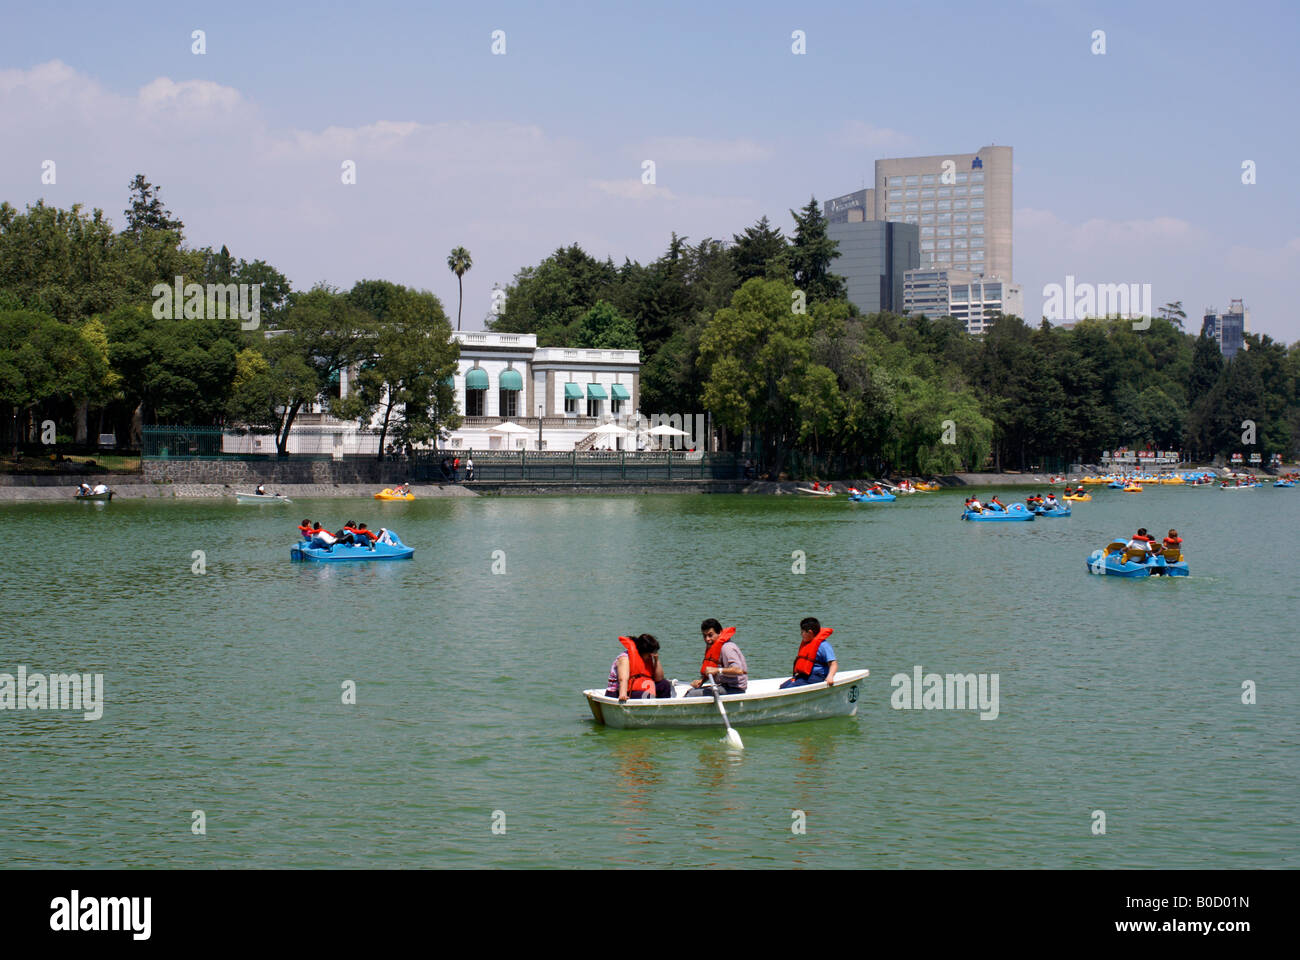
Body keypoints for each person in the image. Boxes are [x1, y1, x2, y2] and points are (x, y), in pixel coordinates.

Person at [685, 619, 748, 697]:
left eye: (710, 635)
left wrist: (717, 670)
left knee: (691, 695)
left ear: (719, 633)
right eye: (704, 636)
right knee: (691, 690)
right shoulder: (713, 647)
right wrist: (701, 681)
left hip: (735, 689)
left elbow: (739, 670)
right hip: (722, 685)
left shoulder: (727, 648)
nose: (707, 639)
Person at [605, 634, 671, 702]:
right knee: (646, 695)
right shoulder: (625, 658)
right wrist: (623, 695)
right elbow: (623, 679)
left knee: (664, 685)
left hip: (639, 689)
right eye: (649, 654)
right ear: (642, 651)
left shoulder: (648, 658)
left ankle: (663, 709)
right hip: (617, 692)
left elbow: (659, 679)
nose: (651, 655)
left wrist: (656, 660)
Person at [780, 618, 838, 689]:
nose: (801, 634)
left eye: (802, 632)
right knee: (783, 687)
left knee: (787, 689)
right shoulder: (807, 643)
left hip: (817, 676)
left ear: (810, 632)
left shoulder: (823, 646)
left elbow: (833, 664)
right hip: (805, 675)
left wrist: (830, 676)